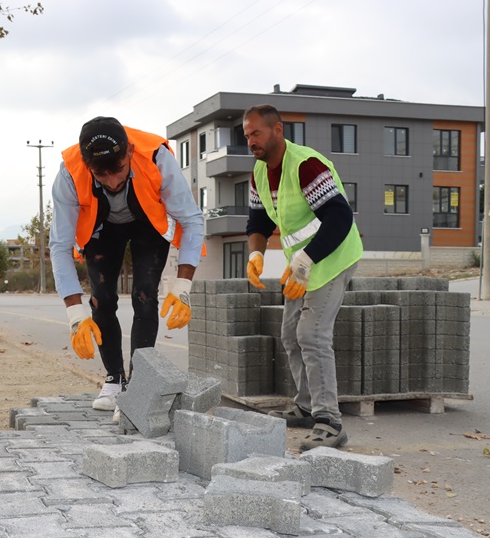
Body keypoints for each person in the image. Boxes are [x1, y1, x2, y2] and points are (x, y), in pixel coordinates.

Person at [50, 116, 205, 412]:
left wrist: (182, 286)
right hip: (102, 227)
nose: (112, 181)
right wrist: (74, 313)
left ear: (130, 153)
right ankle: (114, 378)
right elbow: (59, 245)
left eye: (118, 169)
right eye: (100, 174)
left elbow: (192, 220)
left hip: (147, 223)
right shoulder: (69, 173)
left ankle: (138, 383)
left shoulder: (156, 156)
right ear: (86, 166)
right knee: (102, 301)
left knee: (145, 297)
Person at [243, 104, 363, 451]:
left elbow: (340, 218)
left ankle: (330, 422)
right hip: (302, 260)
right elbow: (259, 222)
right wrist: (256, 253)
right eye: (247, 135)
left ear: (277, 130)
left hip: (333, 254)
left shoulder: (306, 165)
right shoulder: (259, 172)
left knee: (311, 334)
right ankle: (307, 406)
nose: (251, 141)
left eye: (257, 133)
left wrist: (306, 261)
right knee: (290, 335)